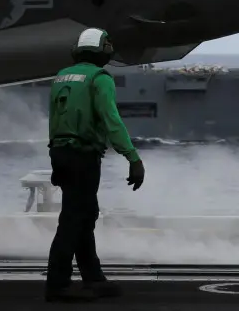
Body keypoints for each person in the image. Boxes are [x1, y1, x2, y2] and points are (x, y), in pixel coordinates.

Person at [45, 28, 145, 302]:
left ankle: (93, 278)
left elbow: (53, 119)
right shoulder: (100, 79)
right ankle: (57, 284)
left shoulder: (61, 76)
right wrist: (132, 157)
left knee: (84, 214)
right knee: (74, 219)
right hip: (83, 153)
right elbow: (111, 119)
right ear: (102, 50)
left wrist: (58, 154)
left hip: (61, 152)